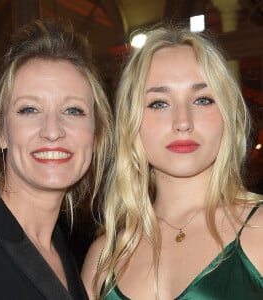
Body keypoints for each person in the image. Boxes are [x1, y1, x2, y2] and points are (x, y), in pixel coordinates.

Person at [82, 24, 263, 300]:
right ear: (131, 123)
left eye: (202, 100)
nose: (182, 122)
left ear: (228, 115)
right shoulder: (104, 258)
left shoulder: (259, 229)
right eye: (159, 103)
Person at [0, 18, 113, 300]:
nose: (53, 131)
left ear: (95, 135)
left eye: (73, 110)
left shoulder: (61, 252)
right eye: (30, 109)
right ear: (0, 133)